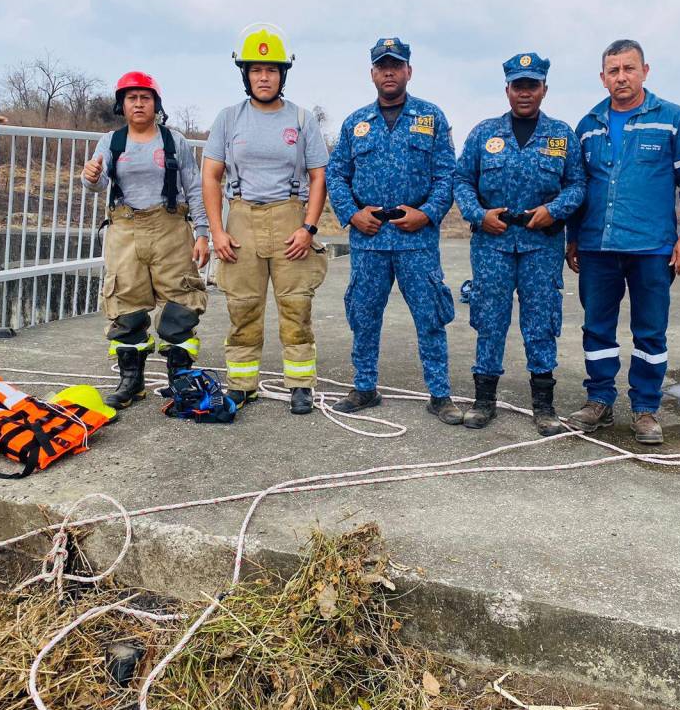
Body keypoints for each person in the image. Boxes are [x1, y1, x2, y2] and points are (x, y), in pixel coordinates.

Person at [566, 40, 680, 444]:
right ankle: (599, 401)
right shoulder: (588, 124)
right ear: (602, 77)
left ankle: (646, 409)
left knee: (650, 332)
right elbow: (579, 186)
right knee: (596, 329)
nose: (621, 77)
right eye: (613, 71)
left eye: (629, 68)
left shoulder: (673, 119)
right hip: (597, 248)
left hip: (652, 248)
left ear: (645, 70)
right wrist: (574, 237)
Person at [326, 37, 462, 425]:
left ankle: (440, 394)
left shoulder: (430, 117)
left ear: (408, 71)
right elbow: (337, 174)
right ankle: (364, 387)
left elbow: (446, 175)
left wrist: (428, 214)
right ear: (372, 73)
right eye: (382, 66)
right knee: (364, 316)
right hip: (369, 239)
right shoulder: (356, 123)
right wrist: (352, 214)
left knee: (430, 317)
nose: (389, 71)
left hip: (415, 239)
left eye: (396, 65)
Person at [454, 53, 586, 435]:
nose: (524, 92)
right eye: (518, 85)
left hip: (541, 246)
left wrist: (554, 210)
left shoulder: (562, 136)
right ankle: (484, 401)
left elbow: (578, 185)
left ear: (544, 88)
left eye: (532, 85)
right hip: (492, 246)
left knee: (541, 323)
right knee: (489, 321)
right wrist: (480, 216)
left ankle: (543, 406)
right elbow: (462, 180)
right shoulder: (483, 134)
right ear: (507, 89)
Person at [202, 23, 329, 415]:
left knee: (295, 305)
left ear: (282, 75)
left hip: (289, 216)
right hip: (241, 219)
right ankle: (242, 384)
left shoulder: (303, 120)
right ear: (245, 74)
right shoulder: (228, 118)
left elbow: (318, 176)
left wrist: (308, 228)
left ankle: (300, 384)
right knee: (243, 306)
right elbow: (211, 175)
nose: (263, 77)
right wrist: (217, 232)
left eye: (271, 70)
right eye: (256, 70)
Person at [81, 71, 209, 409]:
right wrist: (88, 177)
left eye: (145, 97)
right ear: (121, 105)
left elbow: (194, 188)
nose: (139, 103)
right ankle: (131, 381)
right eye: (132, 98)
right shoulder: (111, 142)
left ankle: (180, 379)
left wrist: (203, 234)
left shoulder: (174, 141)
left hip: (170, 228)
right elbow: (95, 184)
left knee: (180, 306)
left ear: (156, 104)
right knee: (126, 307)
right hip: (125, 229)